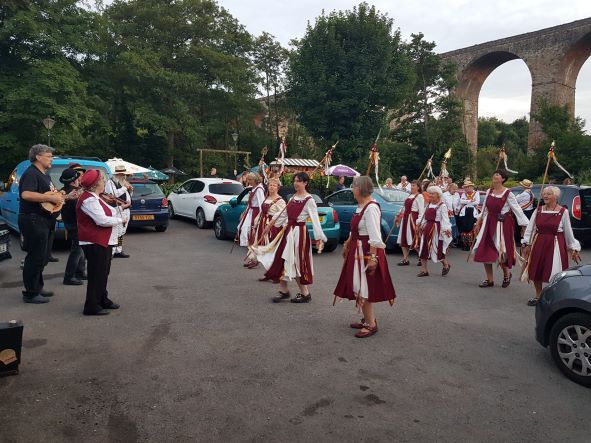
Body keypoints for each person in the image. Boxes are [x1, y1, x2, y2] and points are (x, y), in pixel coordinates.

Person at [334, 176, 396, 338]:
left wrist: (373, 258)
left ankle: (371, 324)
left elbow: (375, 235)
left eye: (353, 187)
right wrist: (348, 243)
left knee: (364, 287)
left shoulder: (371, 208)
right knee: (358, 285)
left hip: (367, 252)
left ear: (360, 189)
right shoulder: (361, 206)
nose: (352, 190)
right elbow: (355, 229)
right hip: (357, 249)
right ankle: (367, 318)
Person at [258, 172, 327, 303]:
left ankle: (305, 293)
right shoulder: (292, 198)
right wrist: (270, 225)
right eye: (295, 181)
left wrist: (319, 238)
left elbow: (315, 220)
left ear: (305, 183)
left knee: (296, 262)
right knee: (282, 259)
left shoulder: (309, 200)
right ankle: (284, 291)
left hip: (299, 234)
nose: (296, 183)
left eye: (299, 181)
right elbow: (283, 214)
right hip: (288, 232)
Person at [18, 144, 64, 304]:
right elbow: (26, 194)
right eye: (49, 155)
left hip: (44, 220)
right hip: (33, 219)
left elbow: (53, 195)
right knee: (35, 256)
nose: (52, 158)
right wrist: (51, 198)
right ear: (38, 157)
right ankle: (30, 293)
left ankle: (37, 287)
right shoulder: (31, 173)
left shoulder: (44, 175)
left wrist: (59, 198)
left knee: (43, 257)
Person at [77, 170, 126, 316]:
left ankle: (102, 299)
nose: (104, 183)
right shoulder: (89, 199)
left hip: (102, 240)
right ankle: (91, 305)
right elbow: (102, 220)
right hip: (94, 241)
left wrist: (118, 208)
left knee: (103, 273)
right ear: (97, 183)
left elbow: (106, 213)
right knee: (97, 274)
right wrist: (120, 220)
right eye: (103, 181)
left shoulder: (95, 197)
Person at [521, 186, 581, 306]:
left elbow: (568, 232)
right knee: (537, 269)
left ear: (556, 196)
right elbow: (530, 228)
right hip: (539, 242)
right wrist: (526, 242)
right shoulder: (538, 210)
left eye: (549, 194)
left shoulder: (562, 212)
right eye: (544, 194)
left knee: (554, 271)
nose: (545, 196)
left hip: (556, 244)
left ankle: (552, 298)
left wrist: (573, 247)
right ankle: (538, 296)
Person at [472, 169, 529, 288]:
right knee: (485, 249)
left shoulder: (508, 193)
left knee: (501, 251)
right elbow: (485, 209)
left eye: (498, 174)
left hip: (502, 224)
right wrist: (479, 220)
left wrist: (525, 225)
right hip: (489, 223)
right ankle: (490, 279)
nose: (495, 176)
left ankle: (507, 274)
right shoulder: (489, 191)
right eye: (494, 174)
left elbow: (516, 209)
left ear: (503, 179)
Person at [247, 178, 286, 270]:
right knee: (259, 243)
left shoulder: (280, 201)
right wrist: (255, 224)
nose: (271, 187)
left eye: (274, 185)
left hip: (272, 227)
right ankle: (255, 260)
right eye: (270, 185)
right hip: (262, 223)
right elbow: (261, 213)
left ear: (278, 188)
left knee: (270, 247)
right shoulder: (267, 198)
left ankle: (274, 269)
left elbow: (283, 215)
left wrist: (277, 225)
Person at [416, 186, 452, 277]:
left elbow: (445, 220)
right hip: (427, 228)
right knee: (424, 248)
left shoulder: (442, 206)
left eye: (433, 194)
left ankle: (446, 265)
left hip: (437, 230)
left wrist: (445, 230)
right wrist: (420, 224)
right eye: (430, 193)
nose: (430, 195)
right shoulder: (428, 204)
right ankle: (424, 270)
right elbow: (424, 216)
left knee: (437, 249)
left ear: (438, 195)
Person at [59, 168, 86, 285]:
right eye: (77, 178)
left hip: (69, 222)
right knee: (76, 250)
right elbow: (78, 210)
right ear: (74, 181)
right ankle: (69, 277)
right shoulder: (74, 193)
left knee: (80, 249)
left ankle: (80, 272)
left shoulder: (62, 191)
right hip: (75, 224)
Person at [105, 165, 133, 258]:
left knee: (122, 231)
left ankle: (118, 250)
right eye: (121, 174)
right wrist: (125, 188)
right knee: (115, 231)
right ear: (117, 174)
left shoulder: (123, 182)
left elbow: (127, 195)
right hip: (117, 210)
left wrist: (130, 190)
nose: (123, 176)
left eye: (124, 174)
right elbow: (113, 195)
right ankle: (111, 251)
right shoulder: (110, 182)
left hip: (126, 210)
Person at [238, 173, 265, 267]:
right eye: (248, 179)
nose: (248, 181)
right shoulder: (253, 188)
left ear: (255, 180)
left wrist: (259, 218)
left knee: (253, 236)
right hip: (250, 212)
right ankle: (252, 258)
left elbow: (262, 204)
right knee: (248, 235)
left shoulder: (259, 190)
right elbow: (250, 204)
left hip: (255, 213)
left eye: (250, 180)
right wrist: (244, 212)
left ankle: (255, 259)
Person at [396, 180, 425, 265]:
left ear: (418, 187)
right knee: (403, 239)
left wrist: (419, 222)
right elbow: (404, 207)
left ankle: (421, 257)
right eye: (411, 185)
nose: (412, 187)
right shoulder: (409, 195)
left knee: (414, 239)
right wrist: (398, 214)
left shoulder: (419, 196)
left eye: (414, 186)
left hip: (413, 219)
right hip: (405, 219)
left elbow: (421, 211)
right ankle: (405, 259)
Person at [456, 179, 480, 251]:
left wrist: (466, 202)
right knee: (464, 228)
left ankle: (471, 245)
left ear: (472, 187)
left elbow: (477, 202)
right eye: (466, 187)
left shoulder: (476, 193)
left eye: (469, 187)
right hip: (464, 213)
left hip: (472, 213)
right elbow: (461, 201)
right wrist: (470, 201)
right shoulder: (464, 194)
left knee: (471, 228)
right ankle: (464, 244)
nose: (468, 188)